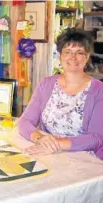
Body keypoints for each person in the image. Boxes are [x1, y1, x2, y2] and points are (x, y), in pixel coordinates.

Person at [19, 28, 103, 160]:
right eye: (67, 52)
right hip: (49, 153)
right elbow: (24, 121)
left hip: (85, 159)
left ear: (87, 57)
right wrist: (40, 138)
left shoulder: (99, 90)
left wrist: (58, 144)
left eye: (79, 52)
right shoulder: (46, 84)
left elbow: (96, 138)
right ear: (60, 56)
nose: (73, 57)